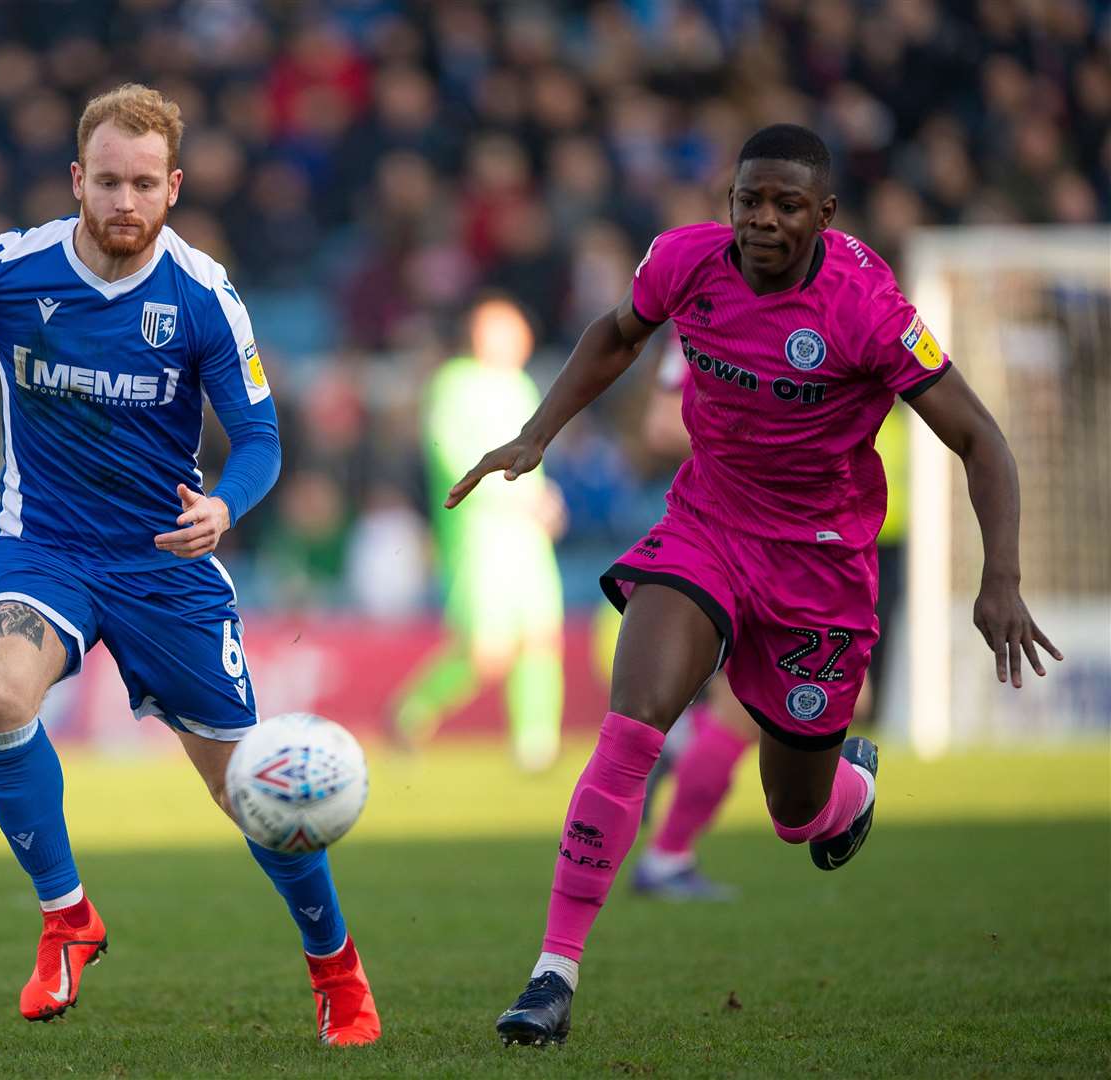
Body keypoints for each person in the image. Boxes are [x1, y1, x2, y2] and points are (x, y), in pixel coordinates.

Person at [444, 125, 1061, 1046]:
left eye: (784, 205)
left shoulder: (868, 308)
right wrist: (539, 432)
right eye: (748, 201)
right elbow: (616, 336)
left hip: (821, 567)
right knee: (632, 725)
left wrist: (1000, 579)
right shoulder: (687, 262)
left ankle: (846, 788)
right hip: (707, 528)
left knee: (794, 814)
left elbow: (981, 439)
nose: (762, 221)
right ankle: (552, 973)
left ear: (824, 214)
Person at [0, 84, 381, 1042]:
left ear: (174, 188)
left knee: (255, 795)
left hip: (164, 566)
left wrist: (228, 503)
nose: (124, 202)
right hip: (43, 548)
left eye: (144, 184)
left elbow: (262, 435)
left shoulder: (202, 295)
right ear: (77, 178)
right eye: (106, 181)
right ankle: (67, 917)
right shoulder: (9, 268)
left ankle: (337, 972)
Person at [392, 295, 566, 770]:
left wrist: (545, 501)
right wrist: (520, 498)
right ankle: (413, 710)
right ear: (480, 334)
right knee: (485, 649)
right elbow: (455, 459)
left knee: (539, 636)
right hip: (480, 533)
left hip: (526, 534)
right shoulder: (455, 384)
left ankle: (536, 745)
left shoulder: (522, 386)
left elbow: (535, 459)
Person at [628, 338, 758, 901]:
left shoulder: (790, 313)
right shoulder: (698, 325)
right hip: (734, 535)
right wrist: (767, 440)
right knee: (747, 706)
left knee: (848, 697)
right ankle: (667, 855)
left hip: (785, 535)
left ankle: (678, 743)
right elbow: (661, 426)